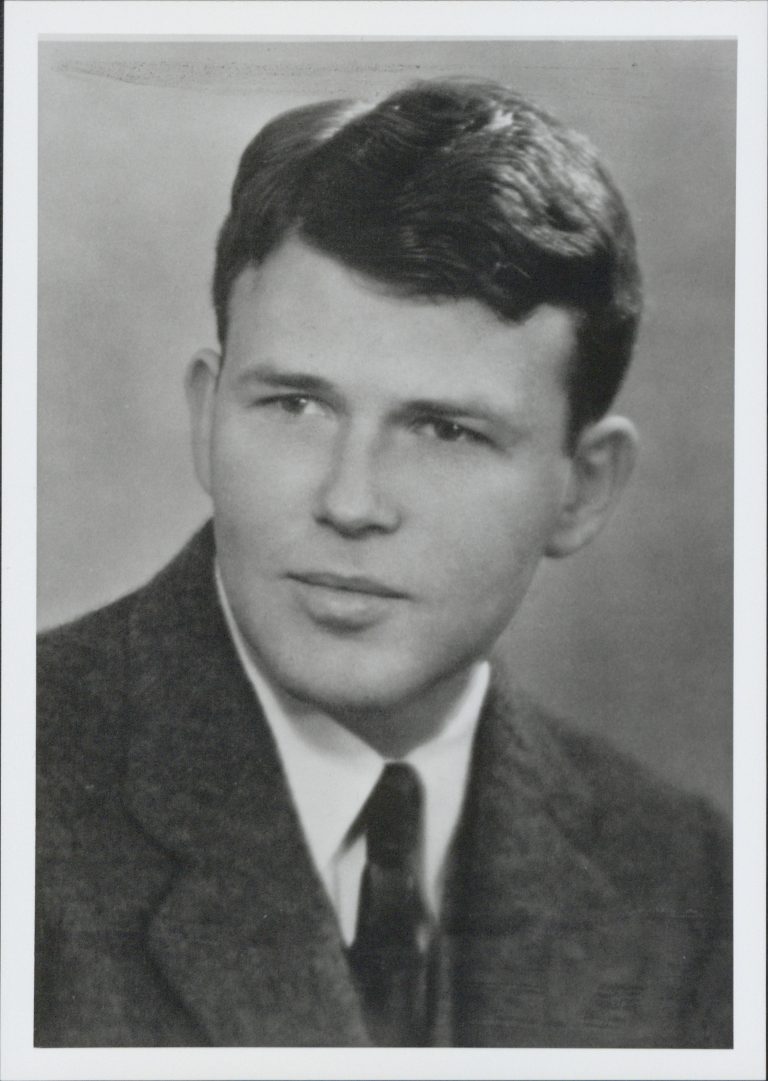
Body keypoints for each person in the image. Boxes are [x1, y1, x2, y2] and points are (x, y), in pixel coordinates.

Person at [35, 77, 731, 1048]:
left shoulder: (692, 885)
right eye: (295, 406)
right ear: (207, 414)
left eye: (445, 429)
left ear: (583, 488)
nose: (350, 501)